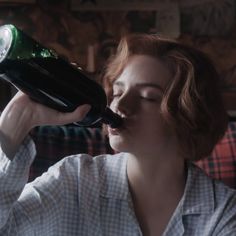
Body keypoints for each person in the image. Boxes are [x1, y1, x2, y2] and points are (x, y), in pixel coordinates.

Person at [0, 34, 235, 236]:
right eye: (117, 92)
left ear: (189, 114)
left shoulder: (222, 212)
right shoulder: (75, 181)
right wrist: (13, 125)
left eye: (147, 97)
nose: (120, 106)